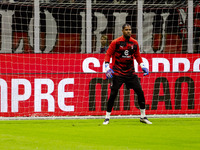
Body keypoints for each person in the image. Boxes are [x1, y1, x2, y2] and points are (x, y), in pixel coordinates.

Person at [103, 23, 152, 125]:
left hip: (130, 72)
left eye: (130, 29)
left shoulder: (134, 43)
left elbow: (137, 56)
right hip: (118, 72)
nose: (128, 31)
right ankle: (107, 117)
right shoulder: (116, 42)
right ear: (122, 31)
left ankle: (143, 116)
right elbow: (108, 54)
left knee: (140, 92)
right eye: (126, 29)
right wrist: (107, 67)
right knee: (113, 94)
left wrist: (143, 66)